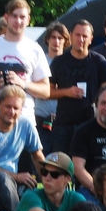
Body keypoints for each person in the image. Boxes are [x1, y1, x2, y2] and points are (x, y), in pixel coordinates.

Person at [0, 0, 51, 128]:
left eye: (22, 17)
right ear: (6, 17)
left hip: (24, 122)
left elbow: (46, 91)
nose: (18, 21)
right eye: (14, 16)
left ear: (28, 20)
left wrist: (22, 83)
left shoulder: (35, 49)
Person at [47, 20, 106, 154]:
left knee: (89, 161)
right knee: (60, 163)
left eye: (84, 36)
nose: (81, 39)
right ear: (71, 36)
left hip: (91, 122)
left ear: (91, 39)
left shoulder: (98, 61)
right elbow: (47, 91)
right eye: (77, 35)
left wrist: (97, 101)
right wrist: (67, 92)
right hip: (63, 123)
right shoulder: (59, 62)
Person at [34, 22, 68, 156]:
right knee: (41, 159)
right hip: (41, 118)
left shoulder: (70, 62)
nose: (56, 41)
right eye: (53, 37)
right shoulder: (39, 61)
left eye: (60, 38)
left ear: (65, 41)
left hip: (63, 120)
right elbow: (35, 89)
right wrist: (60, 90)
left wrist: (51, 90)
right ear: (47, 39)